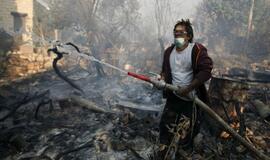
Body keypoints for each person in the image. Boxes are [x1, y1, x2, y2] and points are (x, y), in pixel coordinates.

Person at [156, 19, 213, 156]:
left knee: (186, 134)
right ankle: (163, 154)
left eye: (181, 33)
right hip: (173, 98)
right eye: (175, 33)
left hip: (191, 100)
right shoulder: (169, 52)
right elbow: (164, 71)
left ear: (188, 36)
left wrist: (188, 88)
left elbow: (206, 71)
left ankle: (183, 153)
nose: (177, 36)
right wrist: (160, 79)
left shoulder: (196, 50)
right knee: (165, 129)